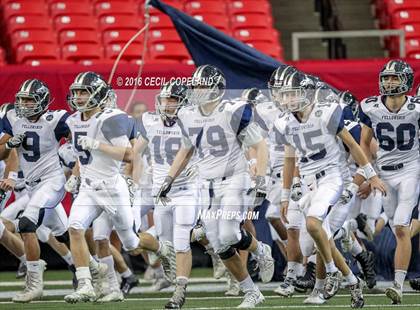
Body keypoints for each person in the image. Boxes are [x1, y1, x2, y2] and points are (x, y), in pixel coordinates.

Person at [156, 65, 274, 308]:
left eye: (202, 85)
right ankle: (251, 291)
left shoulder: (233, 110)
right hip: (206, 184)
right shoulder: (188, 114)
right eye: (196, 85)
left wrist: (260, 178)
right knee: (219, 244)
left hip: (234, 179)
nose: (197, 90)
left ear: (216, 88)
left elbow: (260, 145)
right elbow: (186, 149)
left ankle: (261, 250)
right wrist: (168, 179)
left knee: (229, 234)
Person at [274, 71, 386, 308]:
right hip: (308, 183)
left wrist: (371, 175)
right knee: (315, 242)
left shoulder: (326, 113)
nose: (289, 99)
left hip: (334, 178)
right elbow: (290, 159)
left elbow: (355, 146)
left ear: (307, 93)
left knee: (316, 227)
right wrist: (286, 194)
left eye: (294, 93)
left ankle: (331, 275)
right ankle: (352, 281)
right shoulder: (284, 122)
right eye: (286, 95)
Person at [63, 71, 176, 303]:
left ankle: (162, 249)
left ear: (97, 94)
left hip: (112, 187)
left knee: (131, 243)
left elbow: (129, 154)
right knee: (78, 229)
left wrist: (98, 144)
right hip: (88, 187)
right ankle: (90, 284)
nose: (79, 97)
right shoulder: (73, 120)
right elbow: (81, 156)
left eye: (83, 92)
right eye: (77, 92)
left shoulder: (111, 118)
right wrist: (75, 175)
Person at [0, 79, 70, 303]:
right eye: (22, 99)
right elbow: (2, 152)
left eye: (30, 100)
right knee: (66, 234)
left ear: (42, 101)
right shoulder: (13, 118)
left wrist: (69, 149)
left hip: (51, 181)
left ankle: (34, 284)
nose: (24, 104)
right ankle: (93, 271)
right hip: (31, 187)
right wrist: (9, 145)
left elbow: (77, 133)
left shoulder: (54, 119)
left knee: (26, 224)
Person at [359, 59, 420, 304]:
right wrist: (368, 174)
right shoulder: (370, 106)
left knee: (402, 228)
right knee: (398, 228)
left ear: (406, 81)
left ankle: (398, 284)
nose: (389, 81)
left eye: (395, 78)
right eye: (386, 77)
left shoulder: (416, 108)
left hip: (410, 170)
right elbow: (363, 143)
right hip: (383, 174)